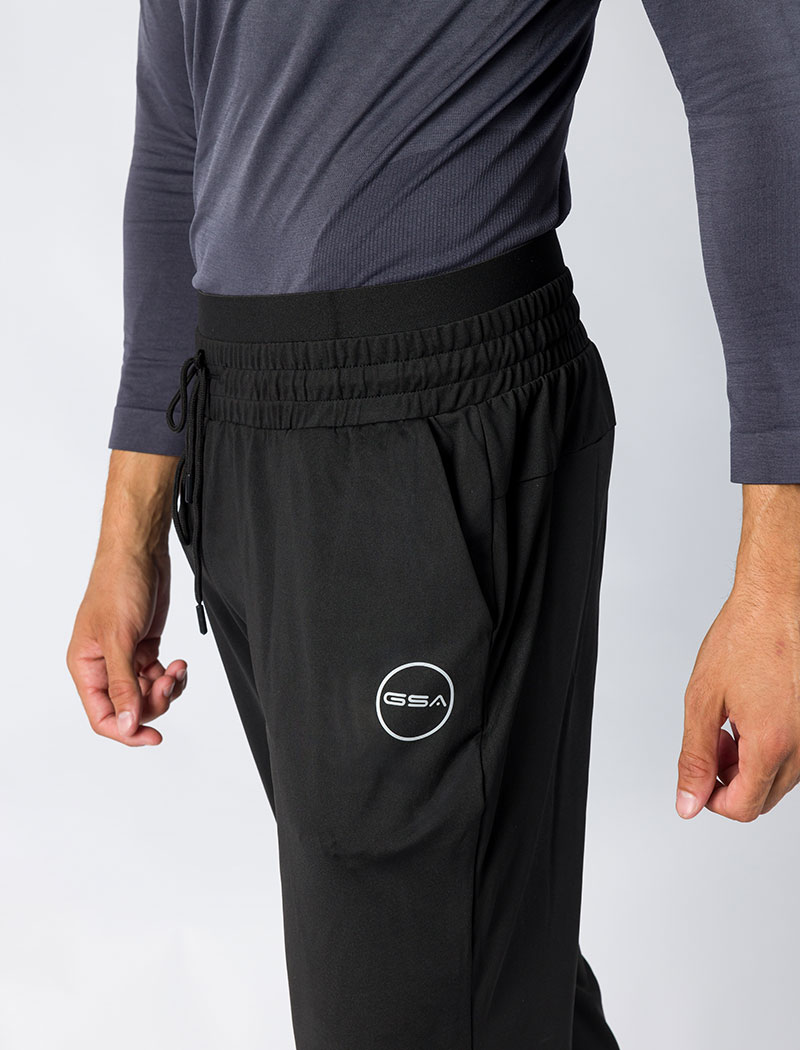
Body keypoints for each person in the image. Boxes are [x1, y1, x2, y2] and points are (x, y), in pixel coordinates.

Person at [66, 1, 800, 1047]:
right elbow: (179, 134)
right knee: (469, 966)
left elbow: (758, 78)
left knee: (416, 990)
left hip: (429, 422)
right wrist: (128, 531)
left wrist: (783, 570)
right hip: (237, 430)